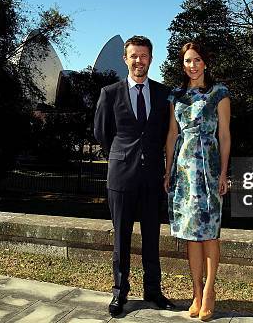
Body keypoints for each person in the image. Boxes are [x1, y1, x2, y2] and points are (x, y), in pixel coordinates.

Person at [94, 35, 176, 316]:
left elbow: (169, 133)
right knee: (122, 239)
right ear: (125, 59)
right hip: (121, 177)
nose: (138, 61)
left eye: (144, 56)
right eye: (133, 56)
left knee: (152, 237)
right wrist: (120, 157)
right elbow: (102, 133)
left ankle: (153, 291)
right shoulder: (110, 93)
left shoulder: (165, 94)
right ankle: (120, 293)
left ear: (151, 59)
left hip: (153, 177)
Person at [164, 42, 231, 321]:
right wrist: (167, 170)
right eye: (188, 61)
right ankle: (196, 291)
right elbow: (171, 135)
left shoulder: (219, 93)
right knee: (192, 235)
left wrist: (224, 172)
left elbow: (225, 135)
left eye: (197, 60)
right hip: (183, 170)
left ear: (206, 63)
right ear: (183, 65)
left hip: (209, 168)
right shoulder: (176, 95)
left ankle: (210, 291)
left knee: (210, 232)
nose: (193, 65)